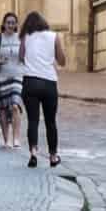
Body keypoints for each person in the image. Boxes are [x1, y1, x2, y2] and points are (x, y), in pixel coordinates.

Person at [18, 11, 66, 169]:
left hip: (30, 81)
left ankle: (33, 153)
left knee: (33, 120)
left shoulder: (25, 37)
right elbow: (62, 60)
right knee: (50, 121)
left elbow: (20, 57)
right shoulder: (54, 36)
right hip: (49, 82)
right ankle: (53, 156)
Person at [0, 12, 25, 148]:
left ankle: (16, 139)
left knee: (15, 106)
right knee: (2, 108)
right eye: (8, 22)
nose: (11, 25)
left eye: (13, 22)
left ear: (16, 25)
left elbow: (26, 56)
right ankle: (6, 139)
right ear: (3, 24)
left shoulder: (21, 38)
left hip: (18, 76)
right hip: (2, 77)